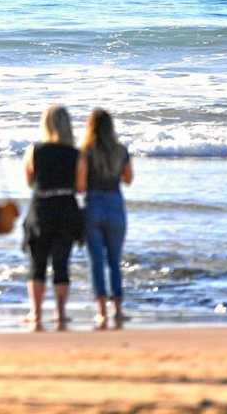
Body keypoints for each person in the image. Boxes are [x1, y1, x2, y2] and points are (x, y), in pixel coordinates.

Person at [22, 104, 86, 332]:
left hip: (40, 208)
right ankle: (60, 313)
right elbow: (80, 187)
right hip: (66, 208)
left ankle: (36, 313)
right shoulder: (76, 154)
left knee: (36, 264)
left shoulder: (34, 150)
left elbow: (29, 181)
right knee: (61, 263)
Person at [80, 109, 132, 329]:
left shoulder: (85, 151)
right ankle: (118, 309)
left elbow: (80, 185)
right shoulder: (121, 151)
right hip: (115, 204)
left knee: (96, 262)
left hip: (93, 204)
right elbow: (128, 179)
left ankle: (101, 311)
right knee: (114, 260)